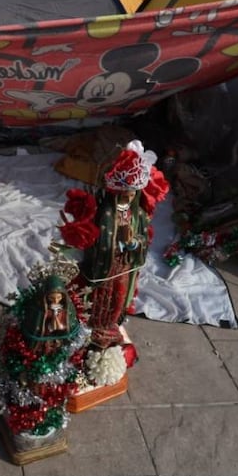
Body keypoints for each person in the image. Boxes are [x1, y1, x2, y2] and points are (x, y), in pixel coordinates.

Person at [80, 141, 156, 350]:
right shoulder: (105, 214)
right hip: (105, 266)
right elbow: (96, 241)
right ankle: (94, 328)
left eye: (132, 195)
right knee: (99, 298)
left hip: (123, 267)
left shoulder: (138, 215)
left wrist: (133, 243)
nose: (128, 199)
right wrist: (115, 245)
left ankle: (110, 326)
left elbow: (143, 240)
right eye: (124, 195)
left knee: (118, 298)